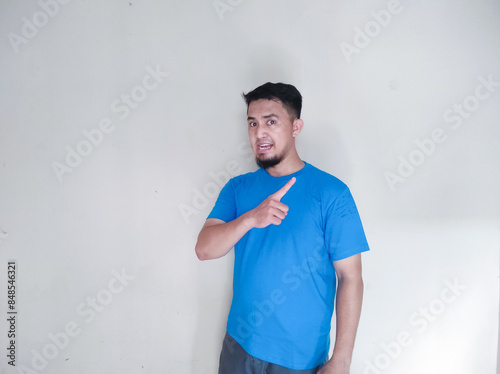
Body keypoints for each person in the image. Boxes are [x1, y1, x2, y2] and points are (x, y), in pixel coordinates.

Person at [195, 82, 370, 374]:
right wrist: (251, 218)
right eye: (252, 123)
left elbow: (350, 277)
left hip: (299, 358)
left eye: (271, 122)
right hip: (239, 347)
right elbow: (204, 249)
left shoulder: (332, 193)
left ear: (295, 126)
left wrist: (341, 359)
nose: (259, 133)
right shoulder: (238, 188)